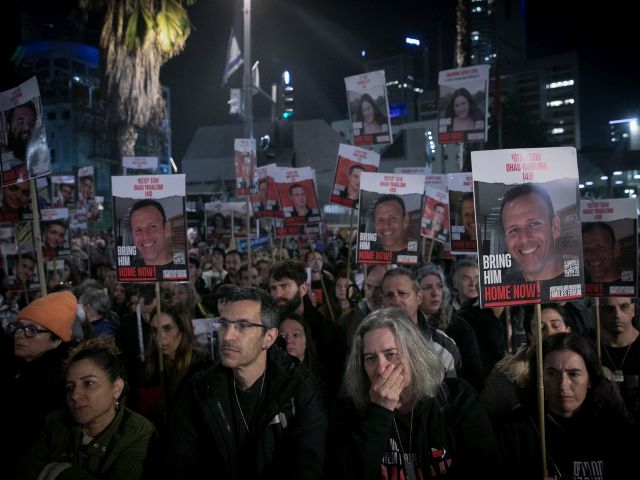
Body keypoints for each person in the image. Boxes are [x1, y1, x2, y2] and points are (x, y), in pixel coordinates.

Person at [163, 286, 328, 478]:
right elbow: (177, 461)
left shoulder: (300, 387)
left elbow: (308, 464)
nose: (228, 336)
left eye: (243, 325)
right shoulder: (201, 388)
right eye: (224, 324)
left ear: (269, 338)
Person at [333, 307, 501, 478]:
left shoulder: (457, 399)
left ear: (413, 355)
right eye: (370, 358)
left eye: (391, 354)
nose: (381, 368)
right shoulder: (350, 408)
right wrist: (379, 412)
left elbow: (485, 468)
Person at [15, 336, 158, 480]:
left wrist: (59, 470)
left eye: (89, 383)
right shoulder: (54, 423)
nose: (75, 395)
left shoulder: (139, 432)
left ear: (116, 388)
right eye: (70, 387)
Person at [499, 333, 631, 479]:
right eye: (552, 373)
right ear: (539, 378)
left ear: (590, 380)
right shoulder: (518, 429)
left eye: (573, 374)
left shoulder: (613, 427)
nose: (563, 385)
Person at [0, 291, 77, 476]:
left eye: (32, 330)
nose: (20, 334)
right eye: (18, 327)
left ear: (56, 340)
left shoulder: (61, 382)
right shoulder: (15, 367)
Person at [136, 303, 212, 431]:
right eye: (155, 330)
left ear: (183, 329)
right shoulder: (149, 365)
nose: (160, 337)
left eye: (167, 328)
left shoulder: (202, 365)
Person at [381, 267, 461, 377]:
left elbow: (455, 391)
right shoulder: (368, 342)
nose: (396, 301)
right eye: (389, 295)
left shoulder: (443, 347)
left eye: (402, 293)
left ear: (418, 298)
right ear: (382, 301)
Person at [416, 264, 484, 391]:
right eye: (427, 287)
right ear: (416, 294)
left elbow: (473, 375)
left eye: (439, 287)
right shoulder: (408, 327)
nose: (435, 293)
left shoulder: (460, 327)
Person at [500, 183, 564, 282]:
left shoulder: (579, 279)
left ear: (555, 227)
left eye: (534, 224)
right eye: (513, 230)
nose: (524, 238)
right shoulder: (503, 288)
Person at [599, 296, 640, 422]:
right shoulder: (589, 348)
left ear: (633, 309)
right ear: (599, 312)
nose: (617, 315)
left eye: (624, 307)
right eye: (609, 309)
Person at [129, 199, 173, 266]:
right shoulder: (129, 270)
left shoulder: (184, 268)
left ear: (167, 229)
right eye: (138, 230)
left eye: (152, 226)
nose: (145, 236)